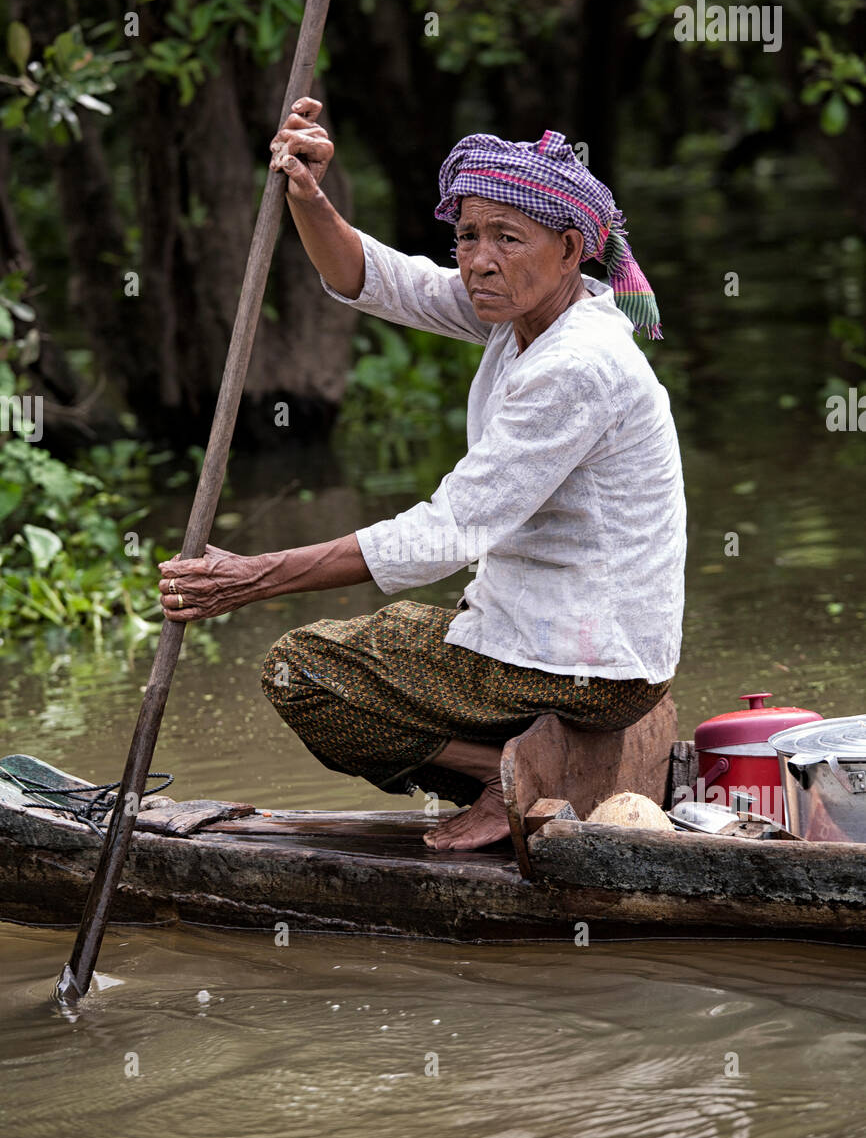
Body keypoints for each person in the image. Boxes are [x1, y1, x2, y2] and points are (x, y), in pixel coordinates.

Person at [159, 98, 686, 853]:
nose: (477, 260)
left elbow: (444, 533)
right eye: (467, 237)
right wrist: (309, 197)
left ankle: (521, 781)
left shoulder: (577, 364)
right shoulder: (527, 314)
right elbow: (384, 279)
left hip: (586, 665)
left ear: (571, 250)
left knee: (304, 671)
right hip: (563, 645)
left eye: (507, 238)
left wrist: (256, 576)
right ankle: (515, 771)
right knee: (384, 643)